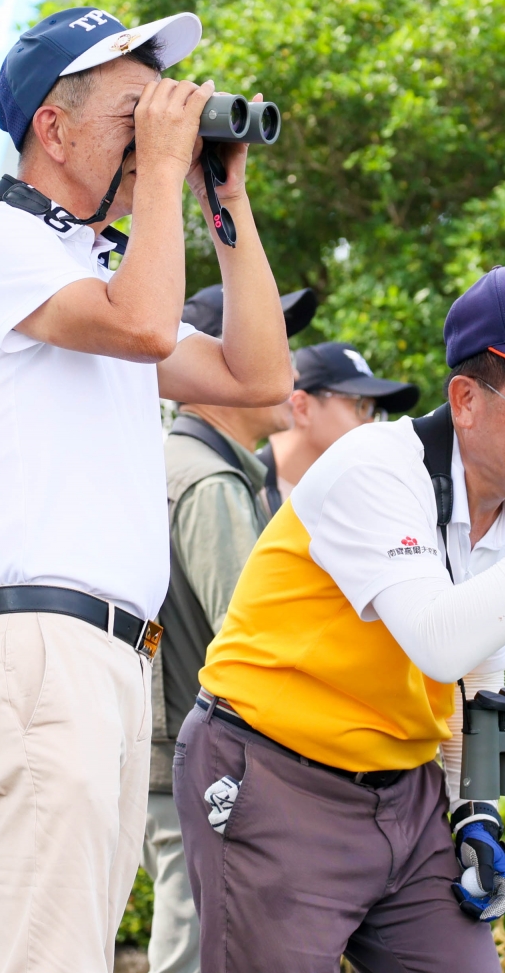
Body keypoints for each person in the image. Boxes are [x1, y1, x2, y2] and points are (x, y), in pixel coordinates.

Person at [0, 6, 292, 973]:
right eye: (135, 111)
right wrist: (167, 171)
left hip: (112, 658)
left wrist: (228, 206)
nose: (156, 129)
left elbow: (261, 381)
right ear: (54, 127)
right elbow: (142, 325)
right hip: (45, 644)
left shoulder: (97, 266)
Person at [174, 265, 505, 973]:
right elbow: (441, 642)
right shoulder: (374, 467)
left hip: (404, 790)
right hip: (275, 777)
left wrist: (478, 812)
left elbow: (488, 674)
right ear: (465, 399)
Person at [141, 282, 317, 973]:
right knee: (196, 951)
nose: (288, 367)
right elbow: (258, 645)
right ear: (209, 368)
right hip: (203, 770)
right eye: (267, 343)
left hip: (176, 760)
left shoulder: (183, 463)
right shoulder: (209, 480)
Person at [260, 341, 420, 513]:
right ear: (301, 408)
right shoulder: (238, 488)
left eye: (375, 411)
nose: (371, 422)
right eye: (362, 406)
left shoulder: (362, 501)